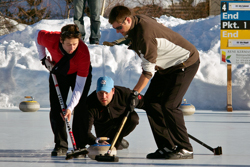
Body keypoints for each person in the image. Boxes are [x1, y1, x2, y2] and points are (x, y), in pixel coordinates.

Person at [108, 6, 200, 159]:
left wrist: (135, 93)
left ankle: (185, 148)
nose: (118, 31)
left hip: (185, 63)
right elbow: (159, 25)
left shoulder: (145, 36)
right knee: (151, 102)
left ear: (128, 20)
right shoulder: (138, 22)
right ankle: (166, 146)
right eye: (115, 28)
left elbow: (148, 72)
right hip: (166, 66)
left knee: (169, 105)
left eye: (119, 27)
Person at [35, 24, 92, 156]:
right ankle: (61, 145)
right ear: (61, 40)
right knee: (56, 108)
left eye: (75, 44)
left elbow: (78, 88)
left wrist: (70, 107)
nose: (72, 48)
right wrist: (43, 58)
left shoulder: (83, 53)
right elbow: (37, 36)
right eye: (68, 44)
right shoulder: (50, 39)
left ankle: (80, 144)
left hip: (79, 73)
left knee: (81, 106)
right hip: (59, 71)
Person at [85, 76, 144, 149]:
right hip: (103, 132)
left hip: (121, 123)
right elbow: (85, 131)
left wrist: (136, 101)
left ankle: (118, 139)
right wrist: (96, 142)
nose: (103, 96)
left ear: (113, 91)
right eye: (100, 93)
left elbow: (145, 103)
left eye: (106, 93)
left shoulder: (123, 93)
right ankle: (116, 141)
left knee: (133, 118)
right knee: (108, 146)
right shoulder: (90, 103)